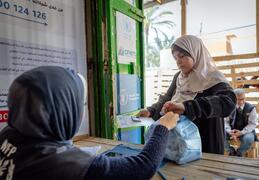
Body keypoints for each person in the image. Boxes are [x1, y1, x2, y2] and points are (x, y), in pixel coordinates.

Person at [0, 66, 179, 180]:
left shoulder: (8, 134)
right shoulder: (64, 164)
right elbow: (142, 168)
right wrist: (162, 127)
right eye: (81, 104)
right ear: (62, 110)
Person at [137, 35, 236, 154]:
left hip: (205, 144)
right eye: (175, 58)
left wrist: (186, 107)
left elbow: (227, 103)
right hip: (179, 143)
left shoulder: (212, 77)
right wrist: (151, 111)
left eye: (182, 56)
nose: (178, 62)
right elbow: (168, 98)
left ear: (195, 53)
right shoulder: (179, 77)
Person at [224, 89, 258, 157]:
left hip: (246, 132)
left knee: (248, 139)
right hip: (232, 131)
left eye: (243, 99)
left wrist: (241, 132)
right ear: (234, 99)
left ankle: (239, 153)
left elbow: (252, 124)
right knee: (219, 135)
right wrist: (229, 131)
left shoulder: (251, 108)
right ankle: (230, 151)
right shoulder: (230, 107)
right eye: (239, 99)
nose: (241, 101)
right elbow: (225, 121)